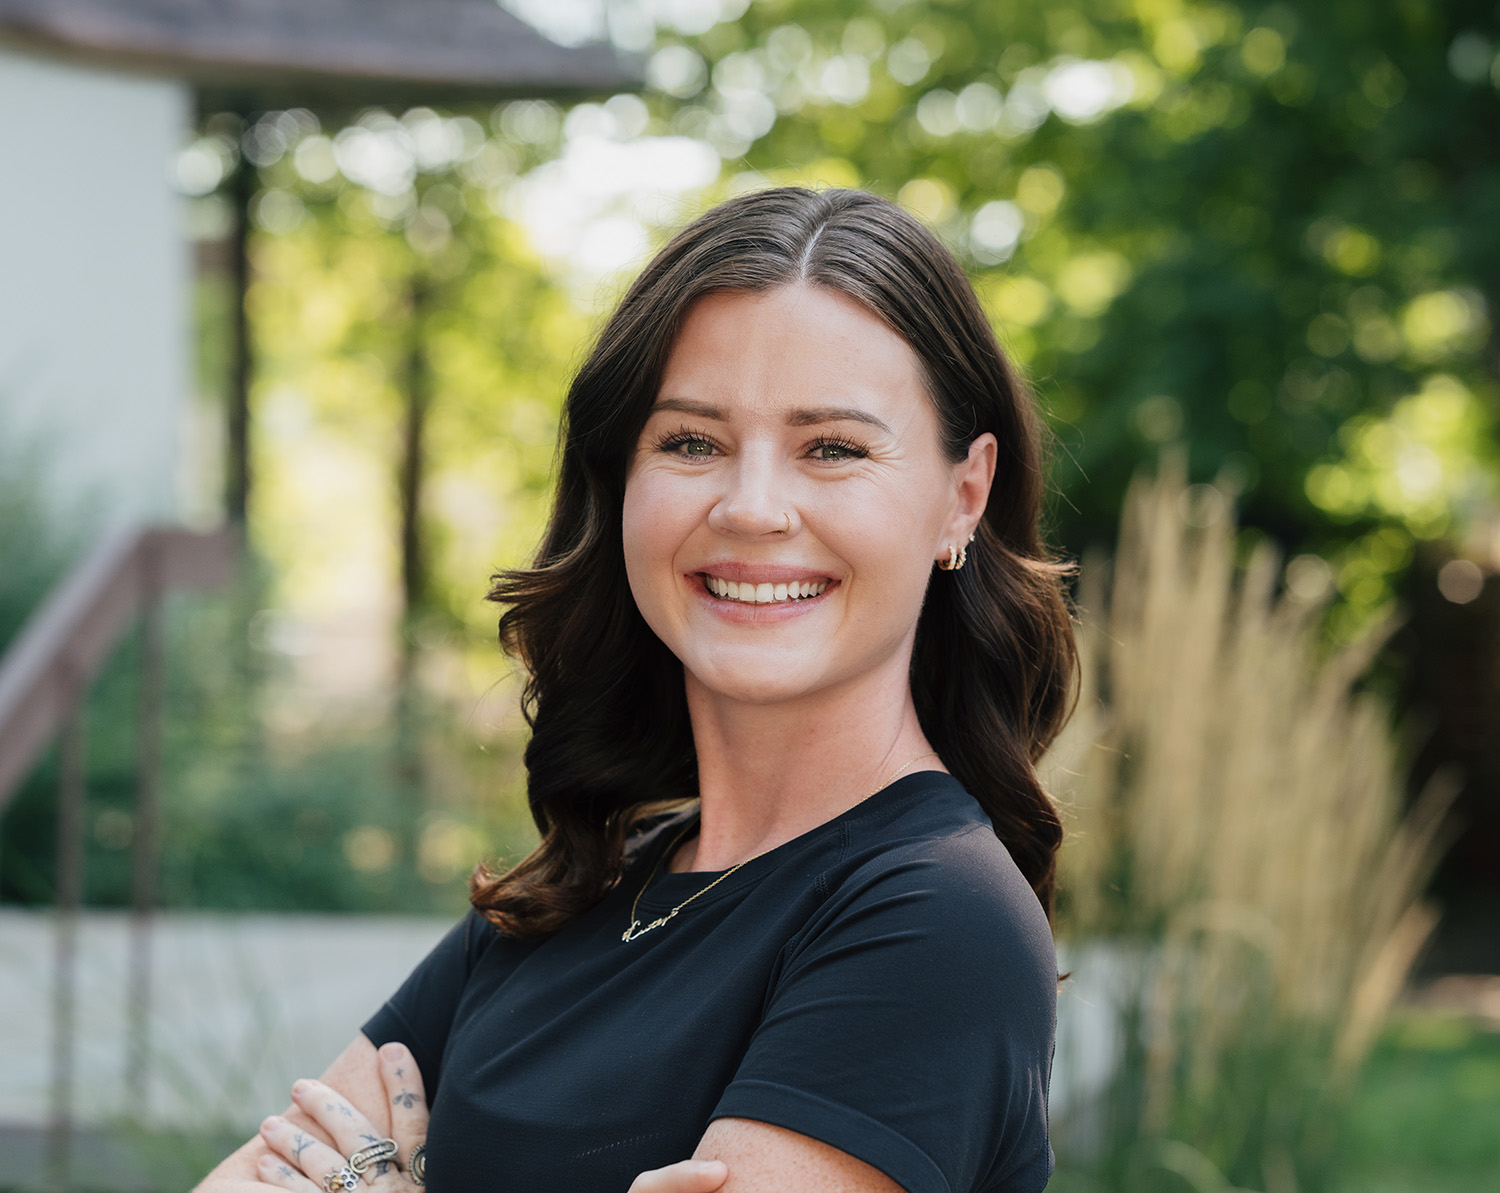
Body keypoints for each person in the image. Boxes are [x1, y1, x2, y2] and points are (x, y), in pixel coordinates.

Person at [196, 186, 1077, 1193]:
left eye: (832, 447)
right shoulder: (566, 899)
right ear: (623, 481)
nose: (750, 507)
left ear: (963, 495)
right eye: (692, 441)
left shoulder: (935, 919)